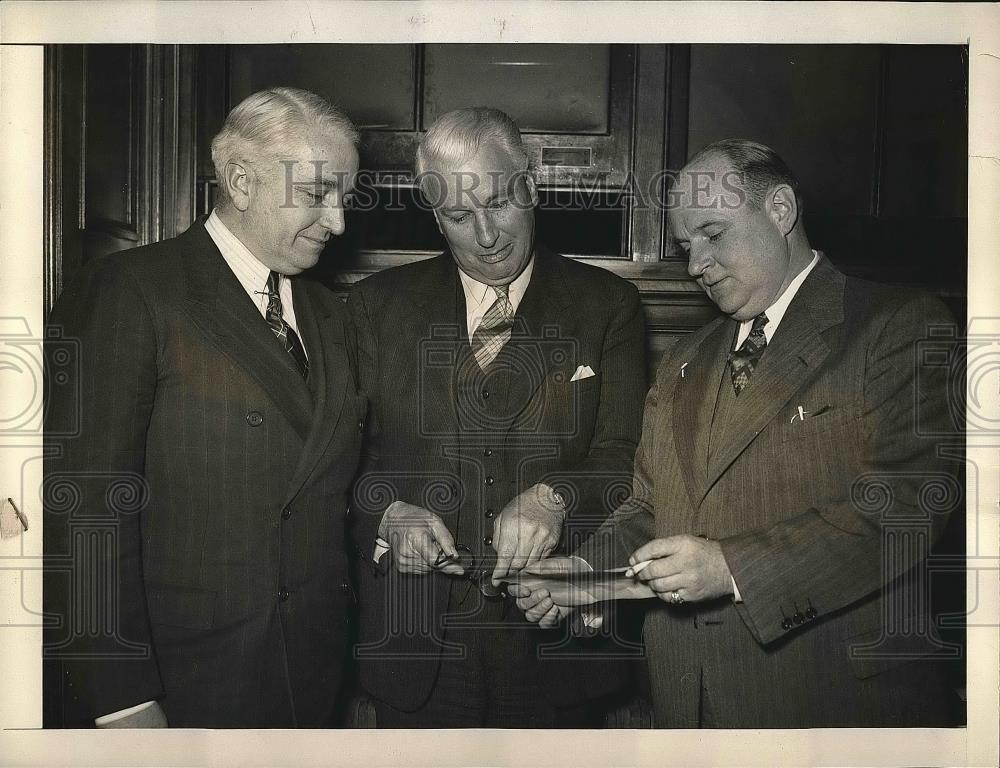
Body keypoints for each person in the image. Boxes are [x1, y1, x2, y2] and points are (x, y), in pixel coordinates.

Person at [514, 139, 962, 728]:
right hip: (687, 698)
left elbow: (904, 507)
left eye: (713, 234)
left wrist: (731, 569)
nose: (696, 263)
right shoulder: (684, 358)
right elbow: (650, 506)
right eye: (685, 245)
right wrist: (591, 572)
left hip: (827, 701)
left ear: (779, 210)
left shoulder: (899, 325)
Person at [43, 87, 366, 728]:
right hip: (183, 682)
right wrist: (122, 699)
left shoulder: (331, 315)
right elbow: (83, 508)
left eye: (344, 199)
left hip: (309, 677)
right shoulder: (130, 292)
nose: (338, 223)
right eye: (316, 194)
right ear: (240, 181)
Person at [348, 107, 646, 727]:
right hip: (416, 644)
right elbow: (341, 465)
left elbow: (626, 459)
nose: (487, 235)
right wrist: (386, 516)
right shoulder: (376, 308)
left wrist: (557, 496)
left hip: (558, 638)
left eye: (501, 203)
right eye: (459, 216)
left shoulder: (607, 305)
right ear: (435, 215)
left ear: (531, 186)